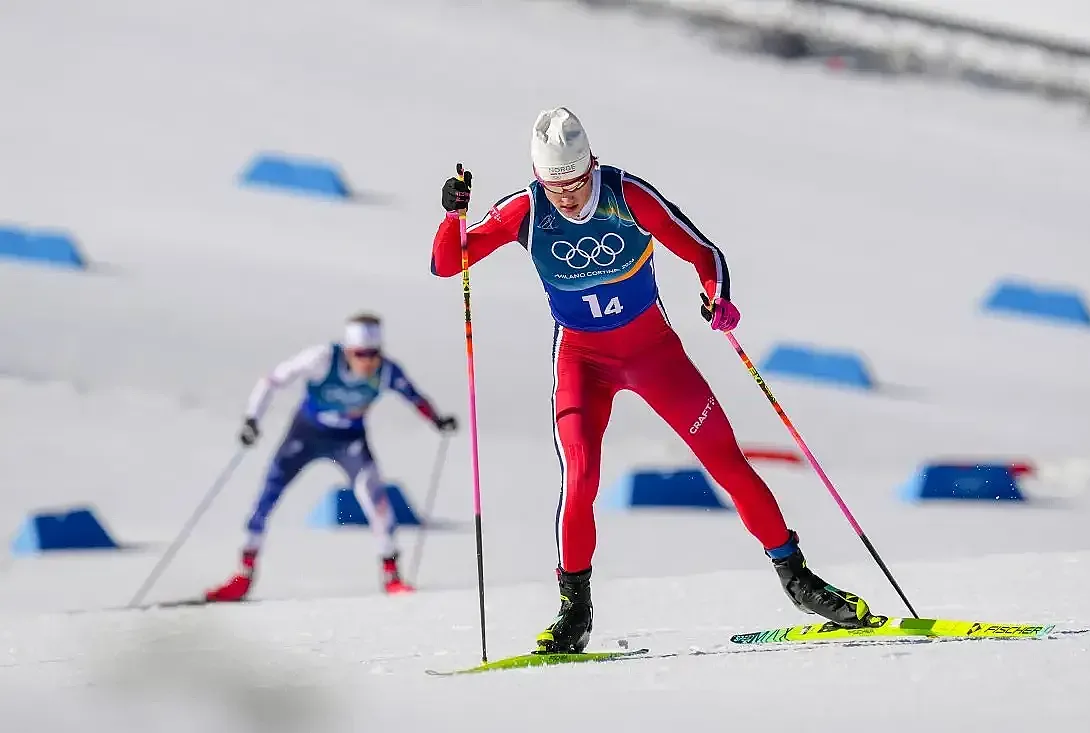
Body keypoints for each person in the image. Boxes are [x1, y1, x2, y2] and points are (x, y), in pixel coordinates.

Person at [430, 107, 875, 653]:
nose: (567, 196)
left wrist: (717, 296)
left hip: (654, 354)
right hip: (582, 363)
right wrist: (452, 216)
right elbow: (450, 263)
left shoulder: (628, 195)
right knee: (581, 479)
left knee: (725, 460)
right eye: (555, 185)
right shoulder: (524, 211)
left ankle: (798, 579)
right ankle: (575, 610)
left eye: (575, 181)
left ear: (591, 164)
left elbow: (703, 252)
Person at [205, 313, 458, 602]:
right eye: (361, 354)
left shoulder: (386, 372)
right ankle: (243, 576)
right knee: (266, 498)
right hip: (306, 434)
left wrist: (438, 421)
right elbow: (273, 380)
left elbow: (414, 397)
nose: (368, 362)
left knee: (375, 498)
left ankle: (392, 576)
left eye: (374, 354)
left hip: (349, 440)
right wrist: (252, 419)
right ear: (349, 350)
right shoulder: (322, 359)